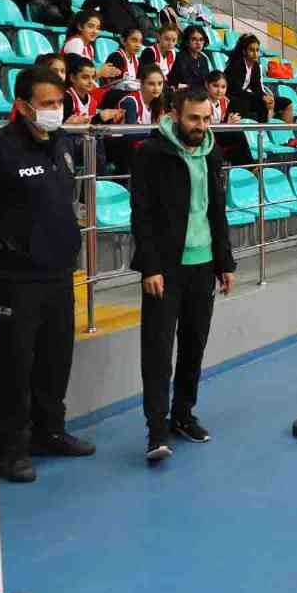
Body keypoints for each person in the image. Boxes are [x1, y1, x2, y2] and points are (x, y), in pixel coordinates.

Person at [0, 66, 96, 482]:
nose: (55, 110)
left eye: (59, 103)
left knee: (55, 359)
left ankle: (51, 431)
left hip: (59, 272)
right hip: (16, 278)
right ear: (22, 106)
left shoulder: (61, 144)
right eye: (46, 104)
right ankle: (11, 448)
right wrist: (4, 248)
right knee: (14, 364)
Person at [130, 85, 236, 461]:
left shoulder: (212, 153)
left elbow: (216, 211)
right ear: (176, 114)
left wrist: (225, 262)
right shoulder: (151, 154)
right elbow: (141, 216)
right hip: (166, 269)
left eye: (207, 118)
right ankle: (156, 431)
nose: (201, 125)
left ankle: (182, 415)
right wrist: (150, 265)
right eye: (194, 118)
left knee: (193, 347)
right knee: (157, 352)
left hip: (203, 264)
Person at [109, 63, 167, 177]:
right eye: (151, 84)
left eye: (160, 84)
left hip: (138, 149)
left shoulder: (157, 102)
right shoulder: (130, 102)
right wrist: (156, 129)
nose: (156, 88)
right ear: (141, 83)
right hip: (118, 148)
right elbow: (131, 134)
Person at [225, 33, 274, 123]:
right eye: (251, 50)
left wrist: (265, 96)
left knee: (263, 104)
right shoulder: (237, 64)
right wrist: (260, 97)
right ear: (244, 51)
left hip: (243, 96)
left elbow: (257, 88)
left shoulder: (255, 66)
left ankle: (262, 133)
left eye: (257, 50)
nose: (255, 53)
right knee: (245, 103)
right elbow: (236, 90)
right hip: (230, 96)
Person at [64, 56, 119, 126]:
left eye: (92, 77)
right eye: (85, 77)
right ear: (72, 78)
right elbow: (61, 130)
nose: (90, 81)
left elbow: (91, 126)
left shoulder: (92, 101)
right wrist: (99, 118)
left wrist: (108, 119)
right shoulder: (66, 98)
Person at [101, 25, 144, 91]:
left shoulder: (138, 61)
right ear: (123, 41)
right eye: (134, 40)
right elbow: (112, 85)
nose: (138, 45)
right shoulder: (116, 57)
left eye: (140, 41)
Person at [170, 24, 212, 90]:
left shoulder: (204, 59)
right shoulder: (180, 57)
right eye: (194, 39)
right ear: (187, 41)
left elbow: (207, 81)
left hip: (201, 94)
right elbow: (182, 82)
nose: (198, 43)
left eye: (201, 39)